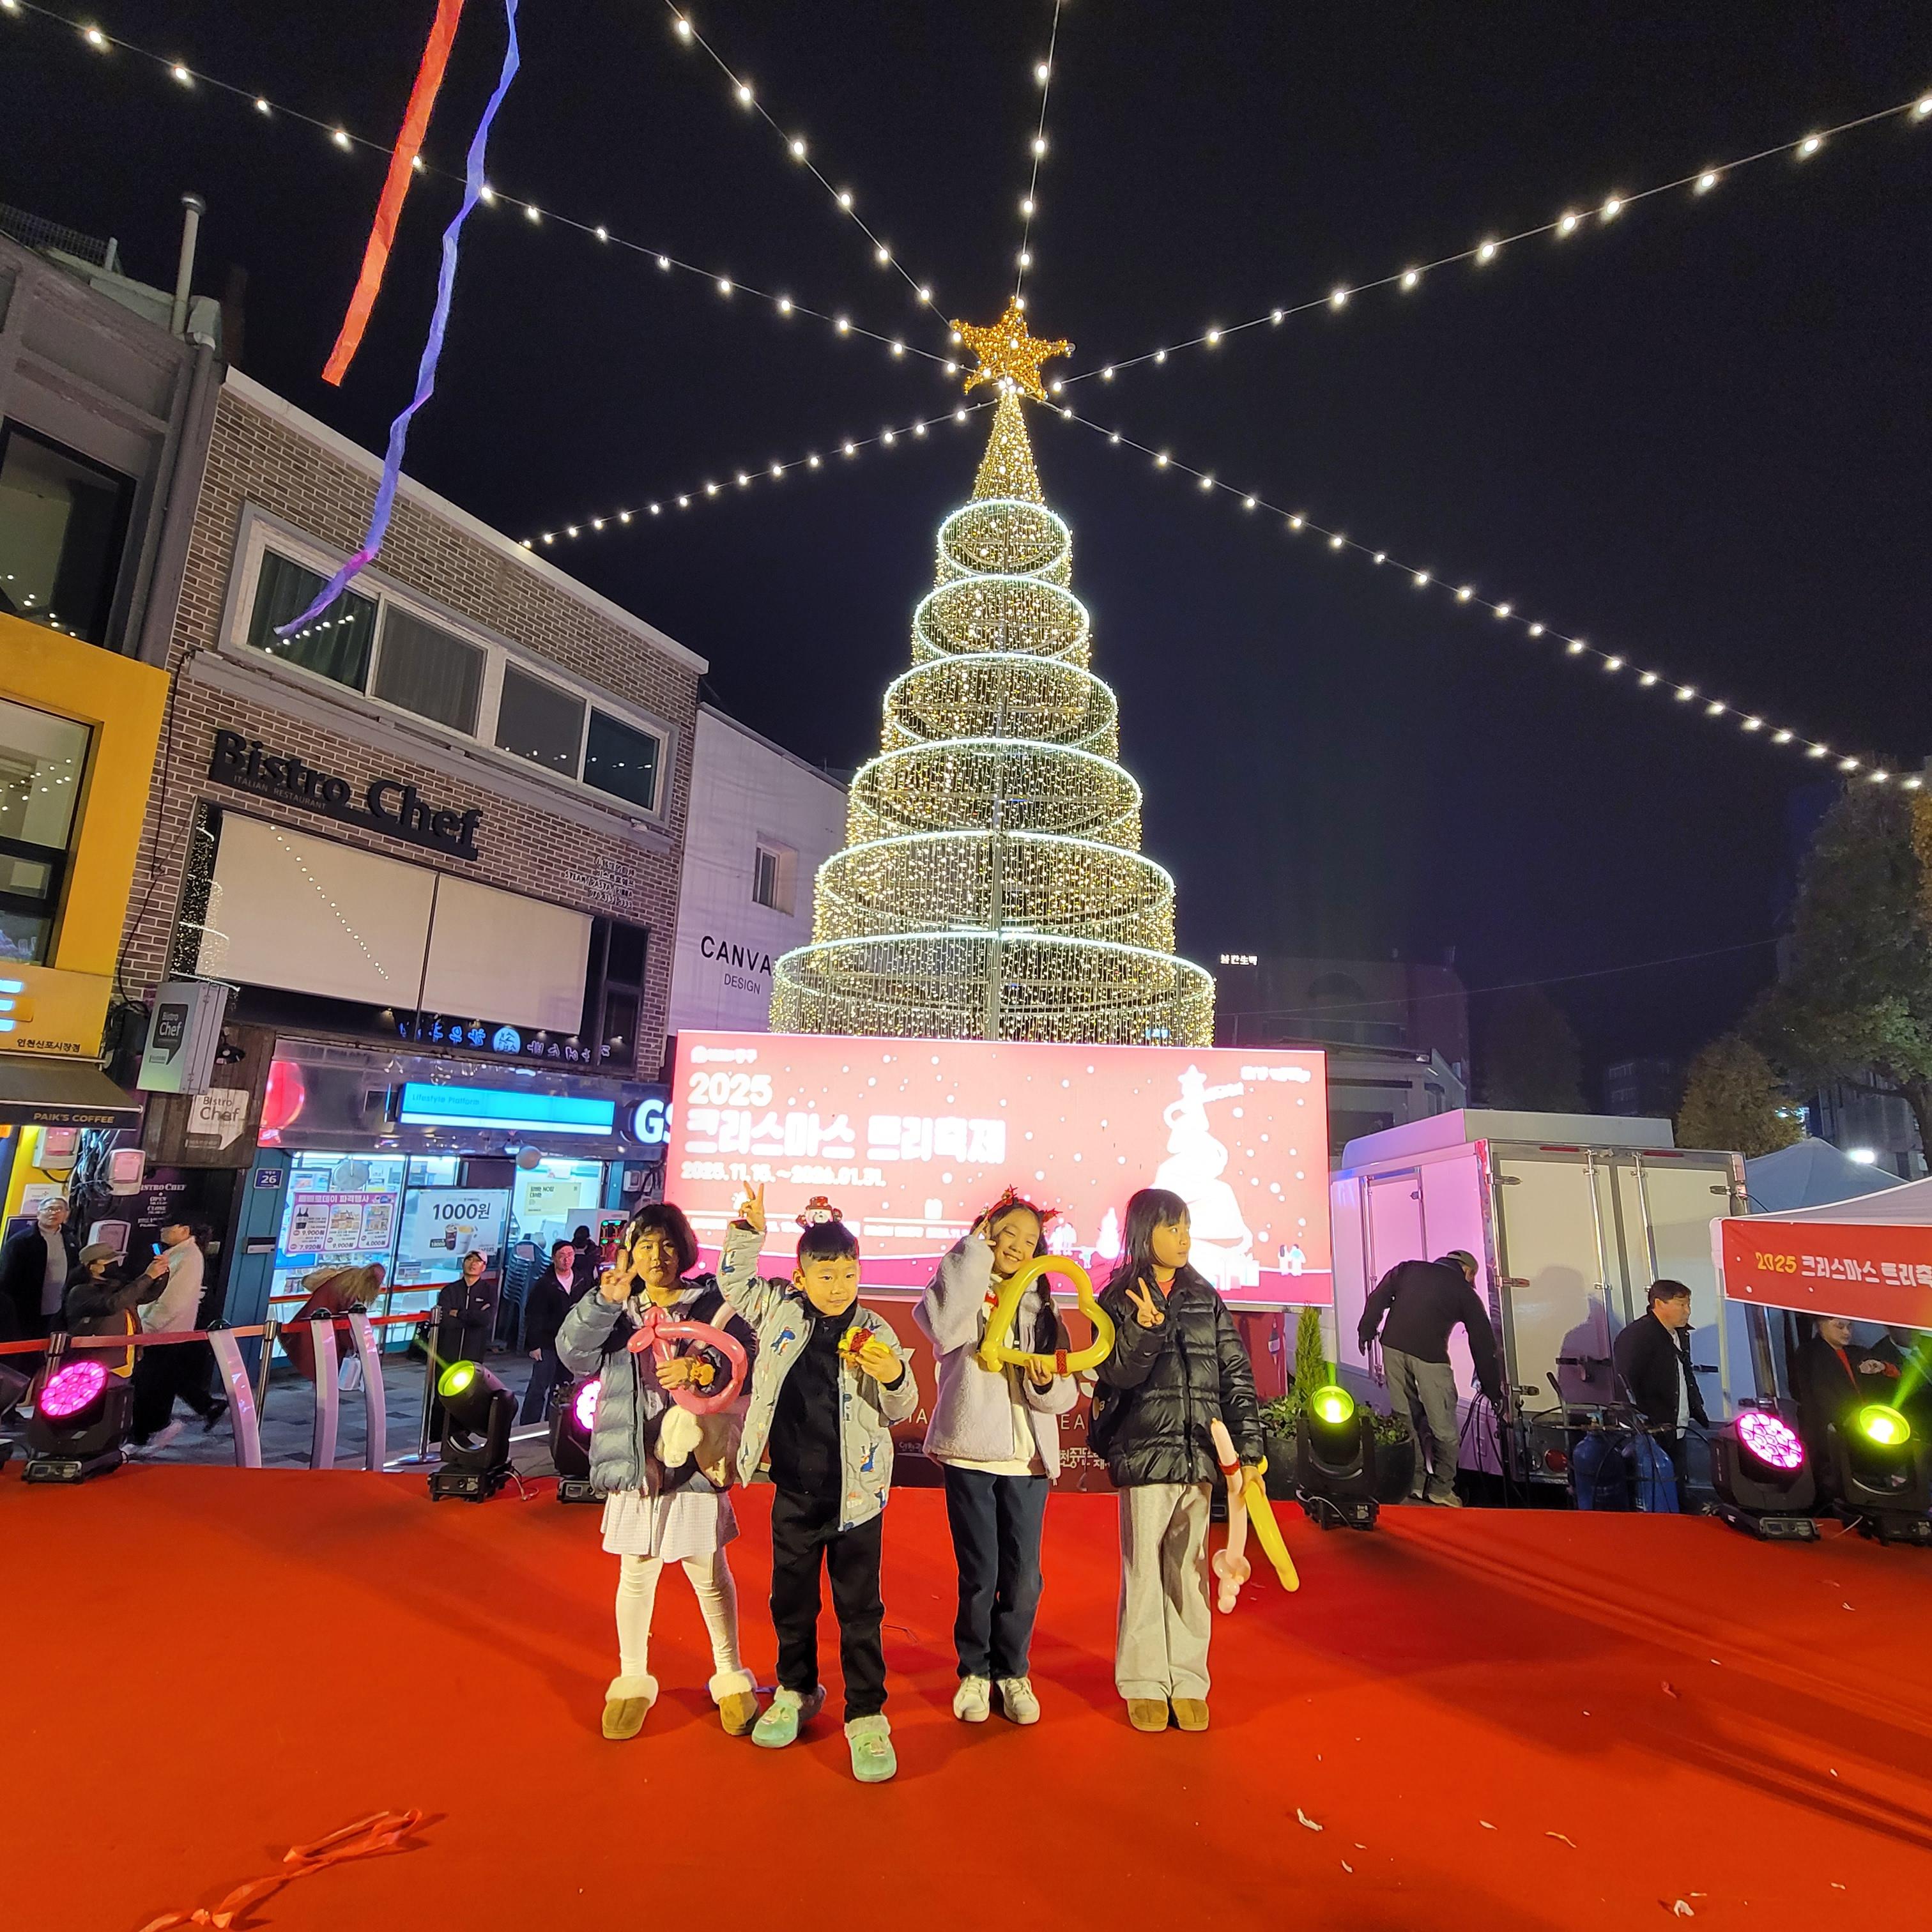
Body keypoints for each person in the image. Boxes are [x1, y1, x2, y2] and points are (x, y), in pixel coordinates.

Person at [719, 1184, 918, 1783]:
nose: (839, 1286)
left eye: (849, 1274)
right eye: (825, 1275)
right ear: (801, 1276)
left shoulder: (876, 1330)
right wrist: (748, 1232)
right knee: (791, 1601)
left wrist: (894, 1374)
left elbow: (902, 1407)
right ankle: (796, 1690)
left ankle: (867, 1715)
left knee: (860, 1609)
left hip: (858, 1498)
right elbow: (734, 1283)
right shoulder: (779, 1310)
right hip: (794, 1492)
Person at [555, 1204, 760, 1742]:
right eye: (646, 1244)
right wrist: (603, 1302)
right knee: (637, 1572)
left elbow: (746, 1356)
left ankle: (729, 1672)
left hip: (694, 1457)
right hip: (635, 1458)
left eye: (668, 1244)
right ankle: (631, 1678)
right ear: (630, 1251)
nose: (657, 1256)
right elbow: (573, 1355)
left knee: (707, 1571)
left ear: (684, 1249)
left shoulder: (711, 1302)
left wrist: (701, 1369)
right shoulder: (617, 1304)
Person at [1091, 1187, 1264, 1734]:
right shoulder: (1116, 1296)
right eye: (1172, 1228)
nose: (1184, 1237)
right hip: (1146, 1451)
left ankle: (1188, 1679)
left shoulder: (1205, 1296)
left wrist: (1249, 1451)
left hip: (1202, 1456)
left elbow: (1235, 1374)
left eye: (1187, 1226)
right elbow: (1116, 1375)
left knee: (1190, 1573)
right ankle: (1144, 1682)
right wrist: (1145, 1328)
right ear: (1146, 1233)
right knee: (1144, 1571)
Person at [916, 1186, 1078, 1728]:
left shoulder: (1044, 1305)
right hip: (972, 1454)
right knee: (980, 1573)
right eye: (1009, 1232)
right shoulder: (964, 1290)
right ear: (986, 1232)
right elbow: (943, 1329)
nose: (1019, 1246)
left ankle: (1013, 1671)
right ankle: (974, 1672)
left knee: (1025, 1578)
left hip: (1028, 1462)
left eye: (1031, 1240)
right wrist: (973, 1254)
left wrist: (1044, 1382)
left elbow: (1065, 1393)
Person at [1356, 1248, 1503, 1506]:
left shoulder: (1408, 1268)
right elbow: (1483, 1343)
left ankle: (1413, 1482)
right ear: (1468, 1271)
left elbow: (1378, 1297)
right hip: (1430, 1358)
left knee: (1405, 1417)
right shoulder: (1464, 1291)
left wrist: (1367, 1329)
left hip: (1392, 1347)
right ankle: (1441, 1488)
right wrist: (1493, 1390)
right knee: (1443, 1424)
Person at [130, 1220, 227, 1450]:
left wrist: (147, 1326)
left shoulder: (188, 1258)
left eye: (169, 1227)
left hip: (164, 1331)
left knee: (152, 1382)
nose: (163, 1231)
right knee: (165, 1377)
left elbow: (173, 1301)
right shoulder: (178, 1254)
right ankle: (205, 1406)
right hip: (163, 1330)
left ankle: (150, 1431)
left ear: (184, 1230)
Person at [1611, 1279, 1710, 1496]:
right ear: (1659, 1303)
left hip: (1675, 1427)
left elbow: (1684, 1373)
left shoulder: (1678, 1333)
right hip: (1651, 1431)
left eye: (1688, 1304)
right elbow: (1625, 1381)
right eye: (1681, 1304)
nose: (1688, 1311)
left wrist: (1695, 1407)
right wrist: (1638, 1423)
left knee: (1676, 1487)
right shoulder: (1639, 1335)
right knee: (1655, 1491)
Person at [0, 1195, 80, 1351]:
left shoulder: (71, 1239)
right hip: (27, 1310)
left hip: (59, 1310)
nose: (54, 1213)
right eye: (49, 1209)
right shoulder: (21, 1242)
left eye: (59, 1209)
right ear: (38, 1213)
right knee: (27, 1350)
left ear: (67, 1214)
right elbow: (6, 1278)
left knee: (52, 1351)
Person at [279, 1263, 383, 1383]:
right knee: (324, 1370)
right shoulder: (350, 1290)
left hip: (316, 1326)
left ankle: (322, 1389)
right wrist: (355, 1345)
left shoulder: (347, 1280)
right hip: (323, 1330)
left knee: (319, 1369)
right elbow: (345, 1322)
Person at [1791, 1314, 1865, 1478]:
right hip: (1831, 1436)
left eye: (1850, 1326)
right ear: (1821, 1325)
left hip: (1863, 1430)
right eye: (1840, 1326)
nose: (1846, 1332)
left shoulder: (1857, 1353)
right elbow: (1817, 1396)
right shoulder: (1809, 1353)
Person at [520, 1238, 586, 1423]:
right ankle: (528, 1424)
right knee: (539, 1385)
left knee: (563, 1385)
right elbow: (533, 1315)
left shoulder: (582, 1280)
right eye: (562, 1256)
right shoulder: (544, 1284)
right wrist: (534, 1345)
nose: (567, 1259)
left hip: (570, 1343)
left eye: (570, 1255)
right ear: (553, 1258)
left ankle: (555, 1423)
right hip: (547, 1342)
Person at [63, 1242, 141, 1379]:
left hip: (123, 1364)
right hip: (95, 1368)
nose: (115, 1264)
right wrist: (148, 1277)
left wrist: (161, 1274)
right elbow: (112, 1305)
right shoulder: (81, 1291)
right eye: (109, 1260)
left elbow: (147, 1295)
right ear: (93, 1267)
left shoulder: (116, 1286)